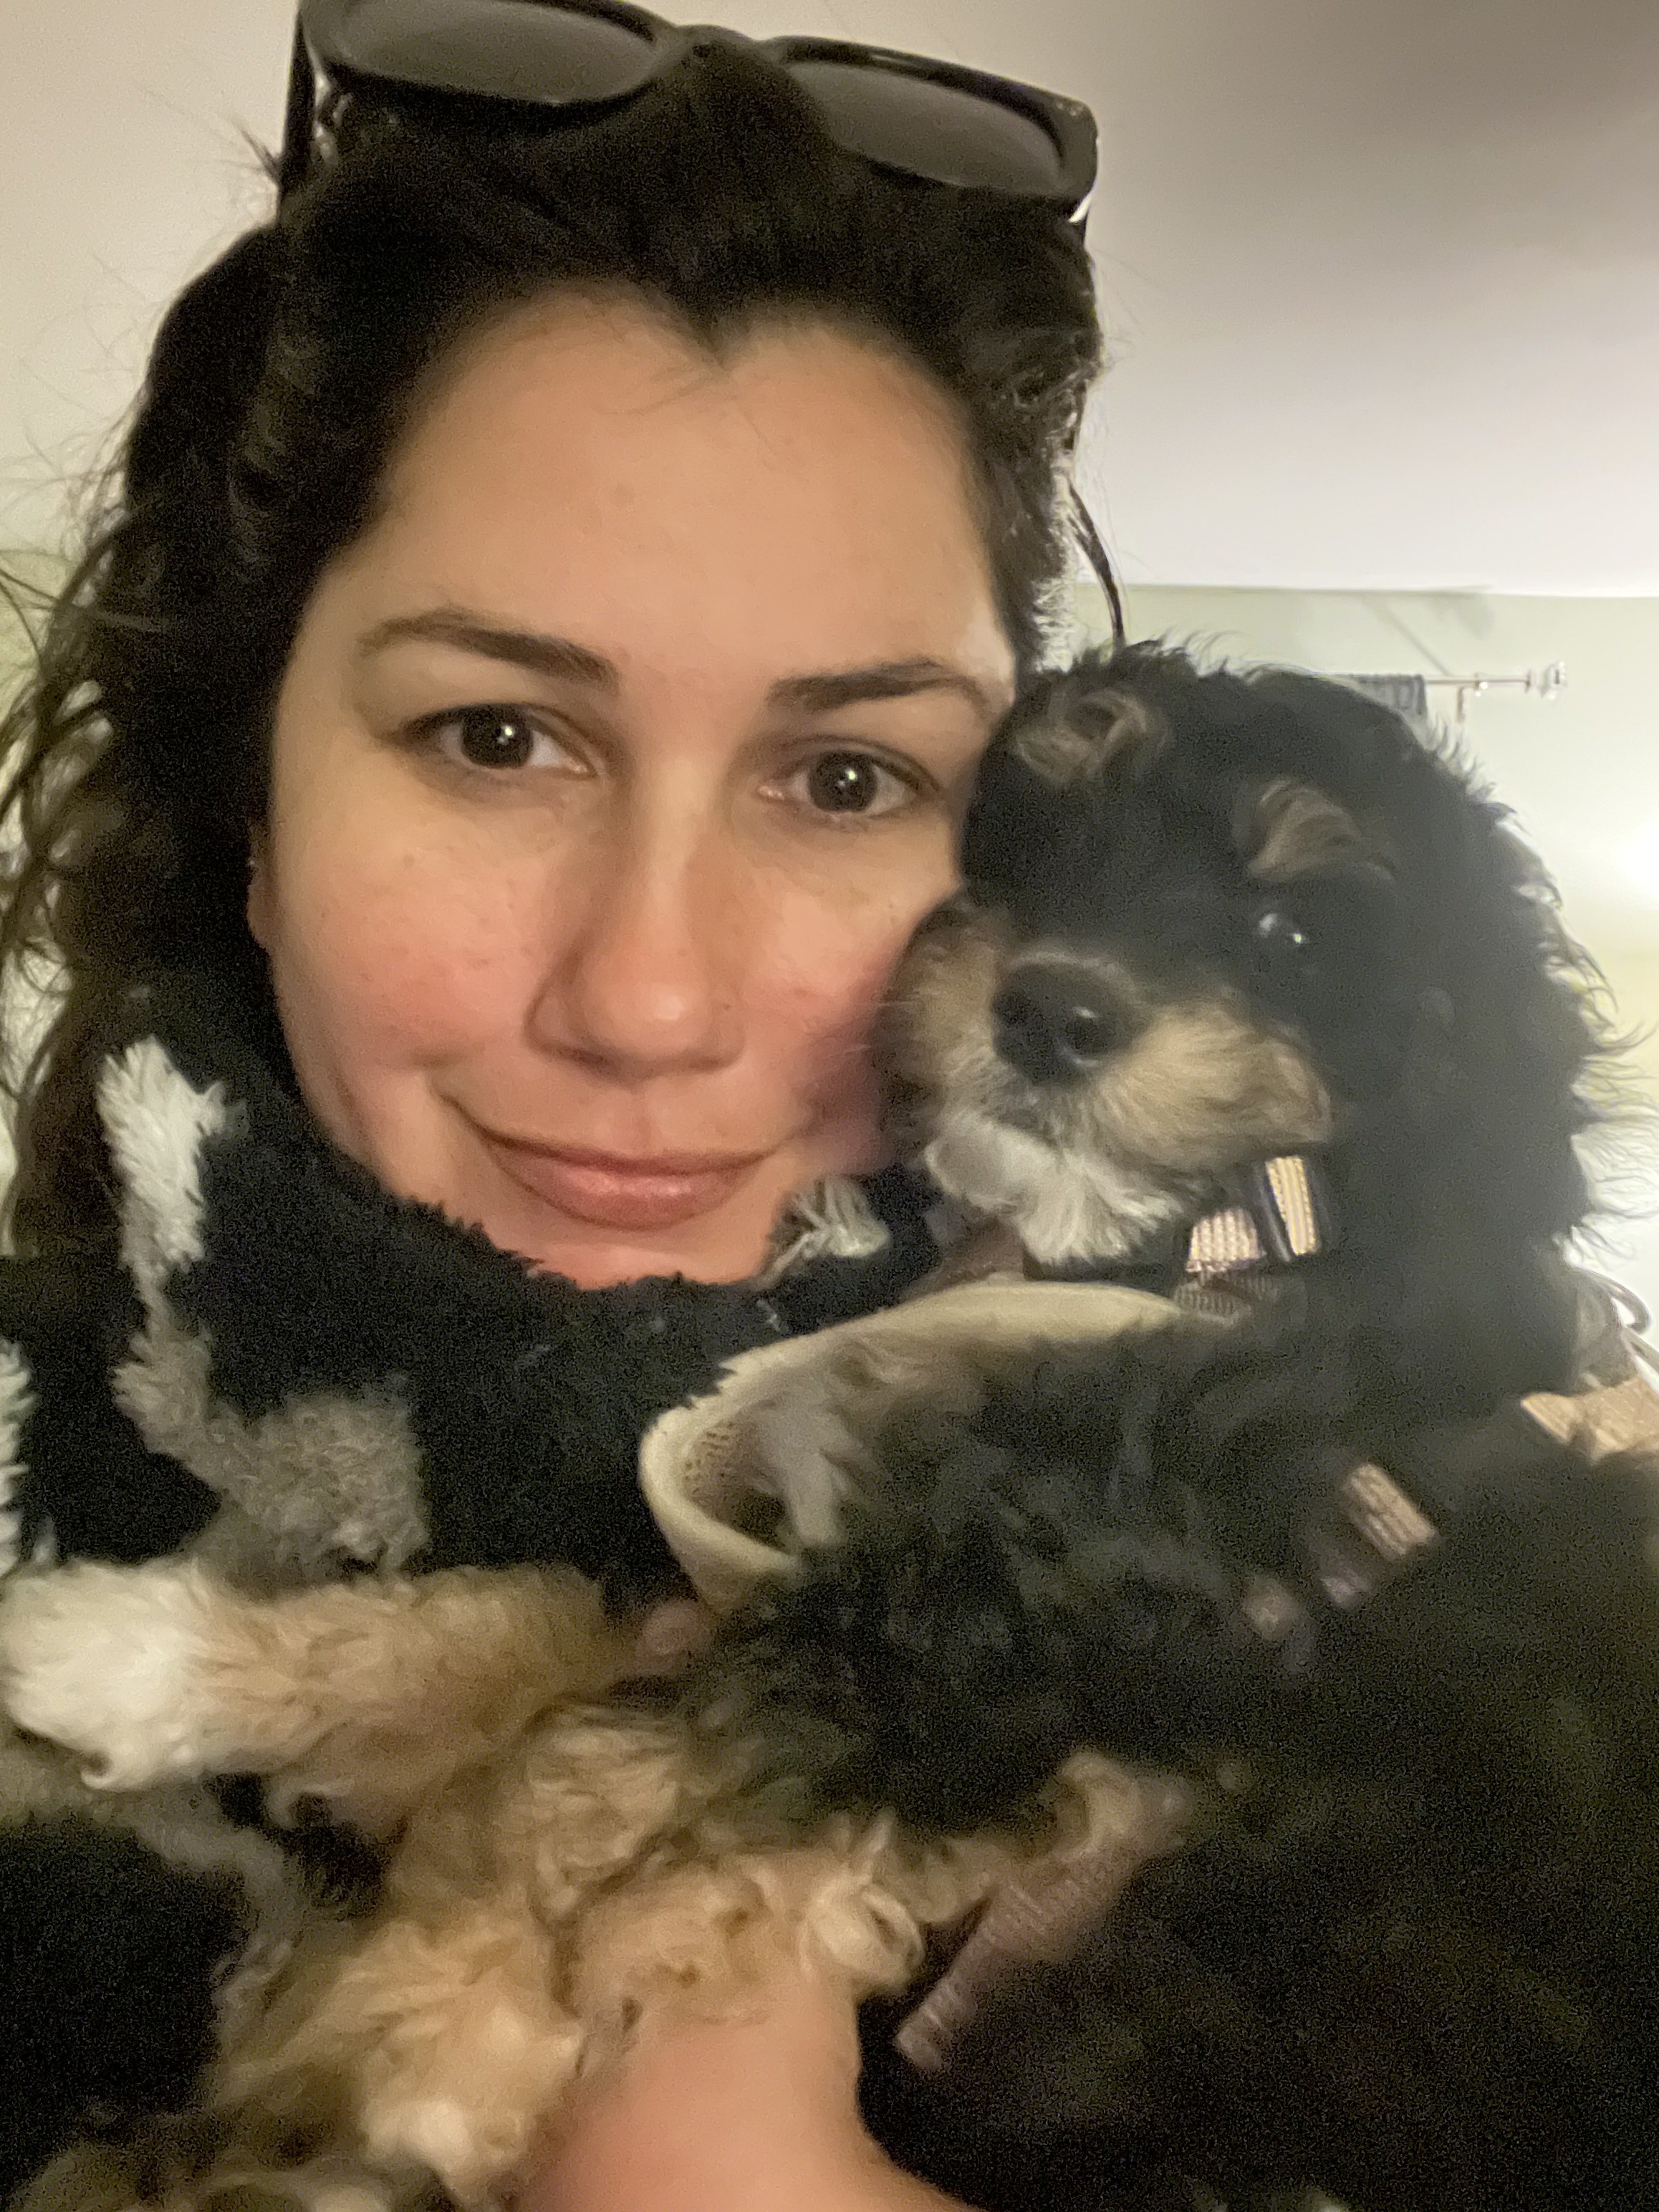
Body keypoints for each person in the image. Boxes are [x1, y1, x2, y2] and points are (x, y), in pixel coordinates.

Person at [0, 9, 1110, 2208]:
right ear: (249, 796)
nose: (651, 994)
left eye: (848, 776)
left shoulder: (1406, 1616)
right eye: (500, 736)